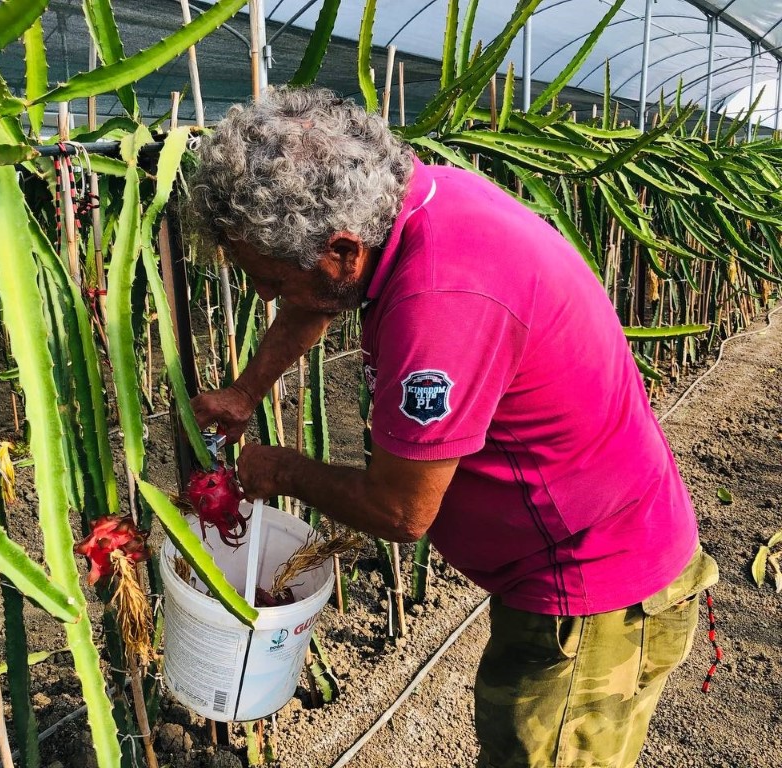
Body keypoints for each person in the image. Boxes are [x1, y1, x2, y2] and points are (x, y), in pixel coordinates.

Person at [186, 87, 718, 768]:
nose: (264, 296)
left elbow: (402, 511)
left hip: (591, 593)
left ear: (341, 250)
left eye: (269, 279)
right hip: (588, 550)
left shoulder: (441, 303)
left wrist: (277, 469)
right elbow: (314, 294)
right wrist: (245, 391)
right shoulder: (411, 206)